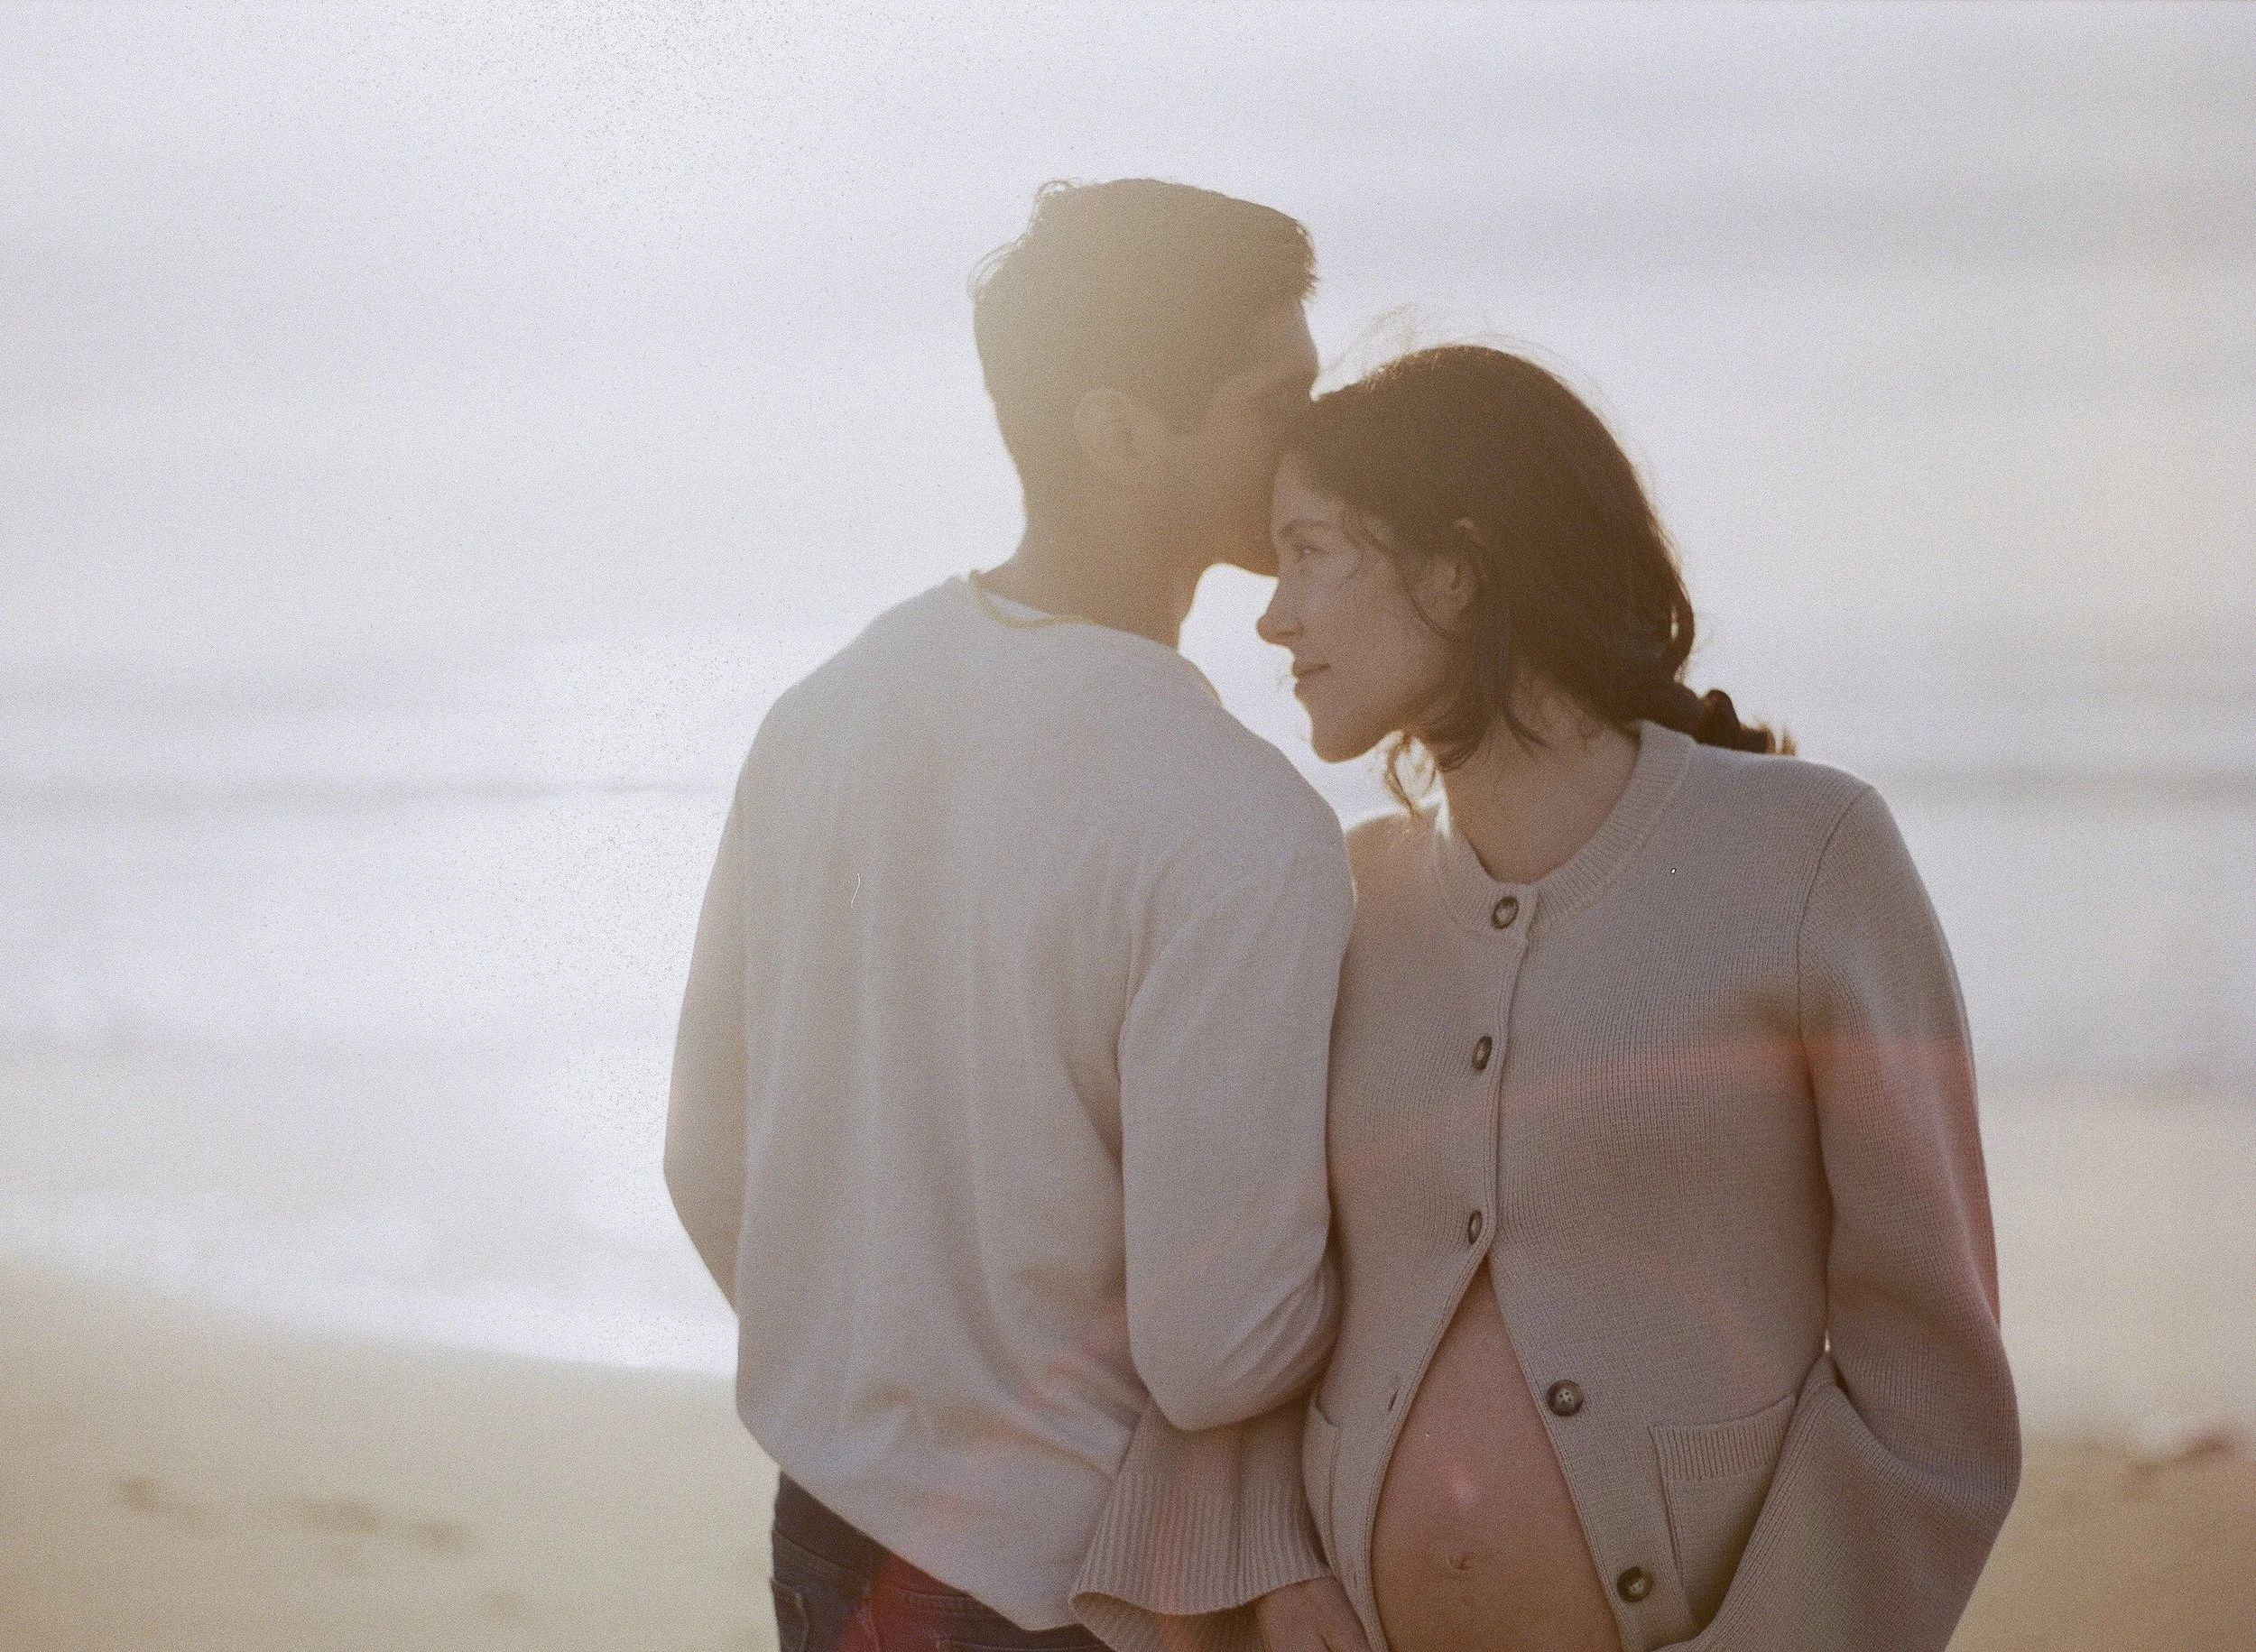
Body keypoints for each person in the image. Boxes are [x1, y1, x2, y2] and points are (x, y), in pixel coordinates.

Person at [1239, 345, 2021, 1652]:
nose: (1275, 616)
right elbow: (1248, 1294)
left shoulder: (1808, 852)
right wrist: (1271, 1561)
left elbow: (1927, 1375)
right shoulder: (1339, 897)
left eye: (1312, 549)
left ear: (1458, 565)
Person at [663, 179, 1351, 1652]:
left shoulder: (819, 717)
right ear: (1119, 435)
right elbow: (1219, 1349)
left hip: (829, 1536)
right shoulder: (1242, 824)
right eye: (1276, 395)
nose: (1324, 435)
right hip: (1079, 1589)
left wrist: (889, 1382)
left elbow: (704, 1157)